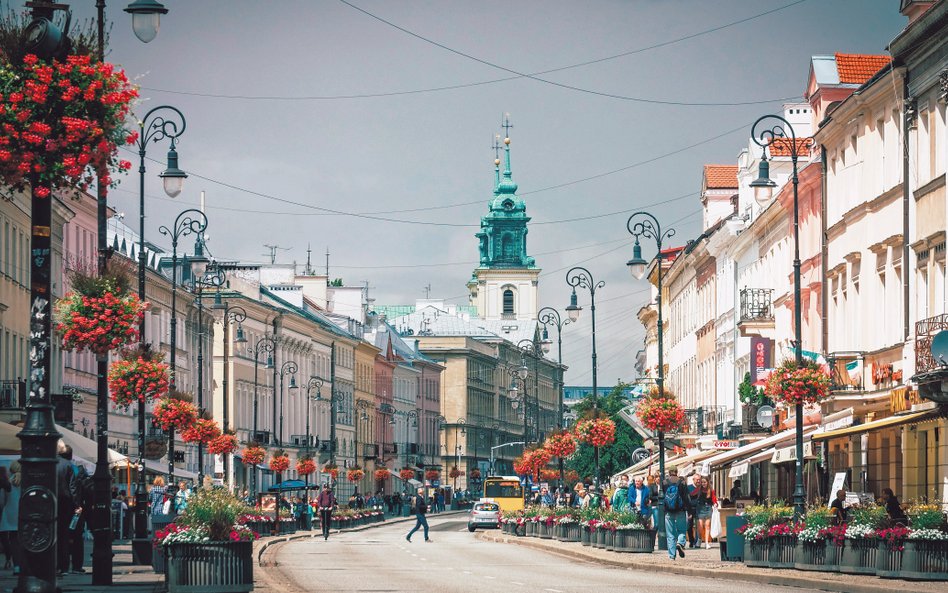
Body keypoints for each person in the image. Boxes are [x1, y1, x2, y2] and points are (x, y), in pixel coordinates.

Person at [56, 442, 79, 576]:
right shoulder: (69, 465)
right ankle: (63, 566)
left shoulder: (51, 462)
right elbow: (72, 487)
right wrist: (76, 504)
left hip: (50, 501)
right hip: (65, 502)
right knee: (64, 534)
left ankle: (53, 564)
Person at [663, 468, 693, 561]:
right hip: (681, 510)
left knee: (670, 534)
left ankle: (672, 556)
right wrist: (690, 511)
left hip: (668, 511)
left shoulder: (665, 482)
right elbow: (687, 498)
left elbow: (663, 496)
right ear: (677, 472)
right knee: (682, 530)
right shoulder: (682, 482)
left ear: (669, 472)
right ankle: (680, 543)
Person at [70, 464, 94, 574]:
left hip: (67, 511)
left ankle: (62, 566)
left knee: (64, 538)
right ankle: (76, 566)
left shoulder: (69, 478)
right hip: (79, 512)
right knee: (77, 539)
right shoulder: (85, 482)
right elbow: (90, 499)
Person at [0, 462, 21, 574]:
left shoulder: (9, 482)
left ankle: (17, 565)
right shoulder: (28, 481)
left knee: (13, 540)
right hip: (24, 513)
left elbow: (3, 500)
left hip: (11, 512)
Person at [694, 476, 717, 549]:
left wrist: (715, 503)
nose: (703, 484)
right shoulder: (699, 489)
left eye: (704, 482)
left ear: (707, 482)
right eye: (702, 482)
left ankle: (706, 542)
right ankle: (700, 539)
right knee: (700, 526)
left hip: (708, 508)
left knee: (707, 525)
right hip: (700, 508)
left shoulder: (711, 490)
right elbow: (692, 494)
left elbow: (714, 499)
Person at [687, 473, 701, 548]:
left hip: (699, 509)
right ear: (693, 480)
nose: (698, 481)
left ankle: (696, 541)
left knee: (698, 526)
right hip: (690, 509)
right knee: (689, 526)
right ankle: (691, 540)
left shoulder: (702, 488)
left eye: (699, 479)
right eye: (697, 479)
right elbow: (687, 498)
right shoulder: (689, 488)